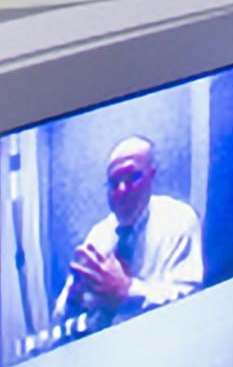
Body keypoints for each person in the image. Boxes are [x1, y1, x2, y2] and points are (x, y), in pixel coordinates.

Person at [54, 133, 203, 322]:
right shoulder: (98, 235)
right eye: (113, 183)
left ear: (151, 176)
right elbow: (59, 315)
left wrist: (127, 291)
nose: (121, 190)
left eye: (132, 177)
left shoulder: (179, 219)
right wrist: (74, 299)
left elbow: (191, 302)